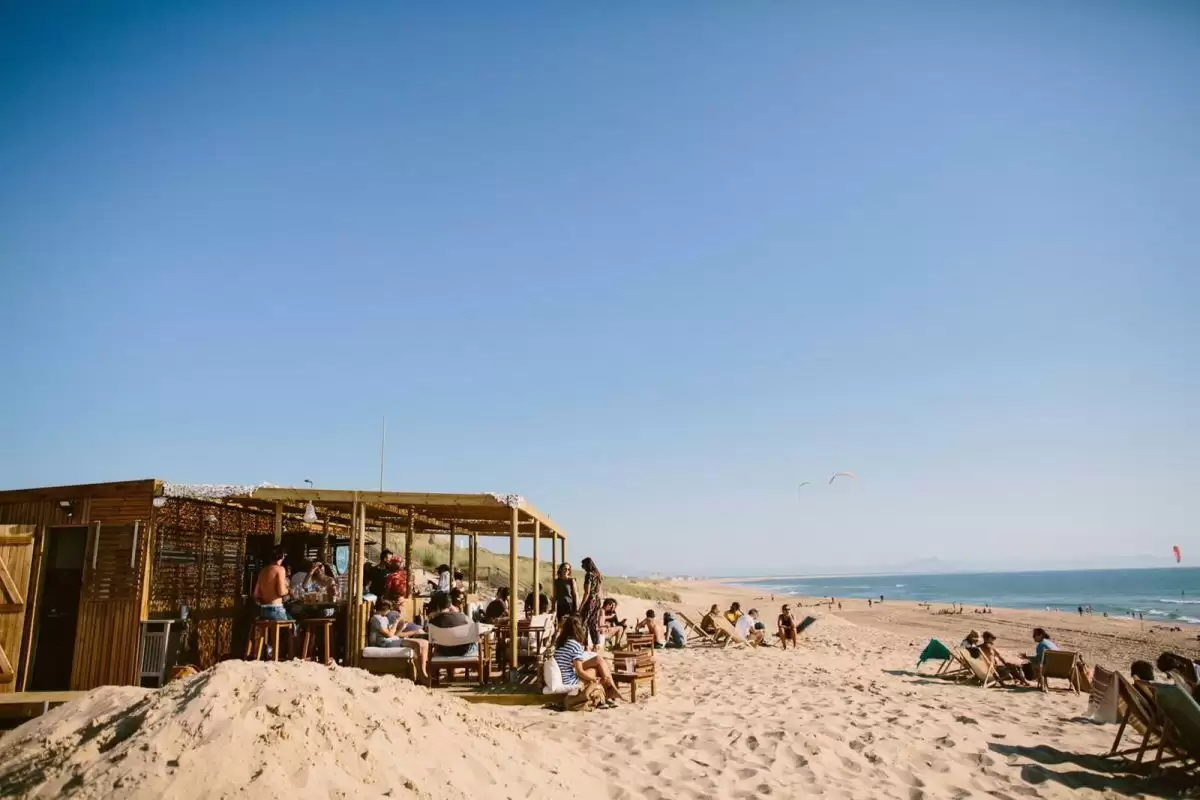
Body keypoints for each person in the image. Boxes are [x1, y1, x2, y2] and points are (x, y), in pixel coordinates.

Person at [551, 615, 619, 707]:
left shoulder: (560, 643)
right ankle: (609, 693)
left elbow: (569, 663)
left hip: (565, 676)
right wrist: (594, 679)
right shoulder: (575, 645)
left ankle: (609, 692)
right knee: (596, 670)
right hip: (571, 681)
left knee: (598, 660)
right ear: (578, 629)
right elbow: (579, 672)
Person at [368, 599, 429, 681]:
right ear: (385, 609)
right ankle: (422, 675)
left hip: (392, 640)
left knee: (424, 643)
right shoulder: (376, 619)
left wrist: (396, 624)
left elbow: (392, 633)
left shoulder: (384, 618)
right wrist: (396, 623)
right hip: (385, 643)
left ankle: (424, 672)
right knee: (417, 644)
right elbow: (389, 634)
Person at [428, 590, 476, 657]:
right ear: (450, 605)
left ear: (437, 607)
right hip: (464, 651)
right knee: (475, 644)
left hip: (445, 652)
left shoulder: (433, 622)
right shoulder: (462, 617)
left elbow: (431, 639)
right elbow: (473, 628)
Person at [253, 546, 290, 620]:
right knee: (293, 626)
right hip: (276, 609)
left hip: (263, 610)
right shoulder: (280, 569)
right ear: (282, 556)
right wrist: (288, 590)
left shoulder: (263, 571)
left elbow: (256, 594)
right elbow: (281, 592)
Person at [578, 557, 605, 648]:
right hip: (597, 600)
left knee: (584, 622)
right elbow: (600, 590)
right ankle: (596, 644)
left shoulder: (589, 575)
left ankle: (585, 645)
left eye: (583, 565)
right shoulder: (598, 575)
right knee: (593, 622)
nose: (582, 567)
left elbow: (587, 592)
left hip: (590, 600)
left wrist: (582, 605)